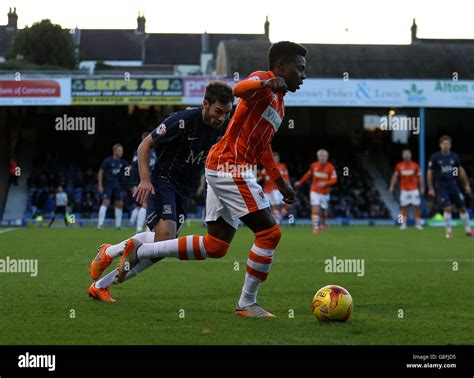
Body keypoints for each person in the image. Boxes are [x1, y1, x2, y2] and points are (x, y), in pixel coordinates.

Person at [115, 41, 306, 317]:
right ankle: (247, 303)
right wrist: (266, 84)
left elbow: (262, 145)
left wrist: (278, 181)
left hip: (227, 167)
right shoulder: (263, 81)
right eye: (299, 69)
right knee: (269, 233)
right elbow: (239, 89)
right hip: (231, 167)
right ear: (280, 66)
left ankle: (140, 250)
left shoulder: (280, 104)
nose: (303, 75)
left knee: (216, 246)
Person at [88, 81, 234, 302]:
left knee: (162, 248)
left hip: (186, 189)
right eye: (218, 112)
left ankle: (102, 278)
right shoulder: (181, 121)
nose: (221, 118)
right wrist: (145, 180)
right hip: (163, 181)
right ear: (205, 104)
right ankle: (113, 253)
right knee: (165, 238)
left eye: (226, 113)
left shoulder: (224, 127)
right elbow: (144, 145)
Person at [427, 135, 472, 238]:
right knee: (448, 208)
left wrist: (466, 184)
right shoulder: (435, 157)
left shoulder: (454, 157)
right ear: (440, 145)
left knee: (462, 208)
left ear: (450, 145)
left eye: (447, 144)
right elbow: (430, 172)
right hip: (441, 186)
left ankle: (468, 229)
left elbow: (458, 170)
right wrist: (431, 188)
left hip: (453, 184)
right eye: (443, 144)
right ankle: (449, 231)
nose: (445, 146)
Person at [295, 149, 337, 233]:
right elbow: (308, 175)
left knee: (324, 211)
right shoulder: (313, 166)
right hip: (314, 191)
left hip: (325, 192)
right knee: (315, 207)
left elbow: (334, 179)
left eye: (324, 156)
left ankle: (323, 225)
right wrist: (300, 182)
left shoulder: (330, 167)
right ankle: (315, 227)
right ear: (318, 157)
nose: (323, 158)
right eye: (321, 156)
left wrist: (325, 183)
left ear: (327, 157)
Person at [389, 149, 424, 230]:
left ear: (411, 155)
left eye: (408, 154)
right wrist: (391, 186)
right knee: (403, 207)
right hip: (404, 190)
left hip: (414, 189)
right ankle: (403, 223)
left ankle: (418, 223)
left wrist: (421, 187)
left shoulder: (415, 165)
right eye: (405, 154)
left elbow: (420, 177)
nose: (407, 156)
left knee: (417, 206)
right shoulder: (399, 166)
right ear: (402, 156)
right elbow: (395, 176)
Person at [129, 132, 157, 233]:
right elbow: (134, 169)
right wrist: (133, 184)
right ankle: (140, 229)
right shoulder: (139, 151)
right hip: (142, 182)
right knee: (145, 204)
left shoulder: (154, 151)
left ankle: (141, 227)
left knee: (146, 205)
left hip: (153, 182)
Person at [97, 144, 130, 230]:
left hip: (117, 186)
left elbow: (129, 168)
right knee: (105, 203)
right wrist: (100, 185)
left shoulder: (122, 162)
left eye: (122, 150)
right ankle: (100, 225)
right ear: (114, 151)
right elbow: (100, 172)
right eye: (119, 150)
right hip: (108, 185)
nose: (121, 152)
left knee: (119, 204)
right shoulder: (108, 161)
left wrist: (128, 171)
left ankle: (118, 225)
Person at [259, 152, 290, 224]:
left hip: (280, 189)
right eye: (274, 158)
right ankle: (276, 220)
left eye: (276, 158)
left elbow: (286, 178)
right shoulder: (267, 166)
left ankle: (279, 217)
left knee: (287, 203)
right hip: (268, 190)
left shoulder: (283, 166)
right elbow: (261, 176)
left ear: (279, 159)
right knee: (272, 205)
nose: (275, 159)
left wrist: (288, 186)